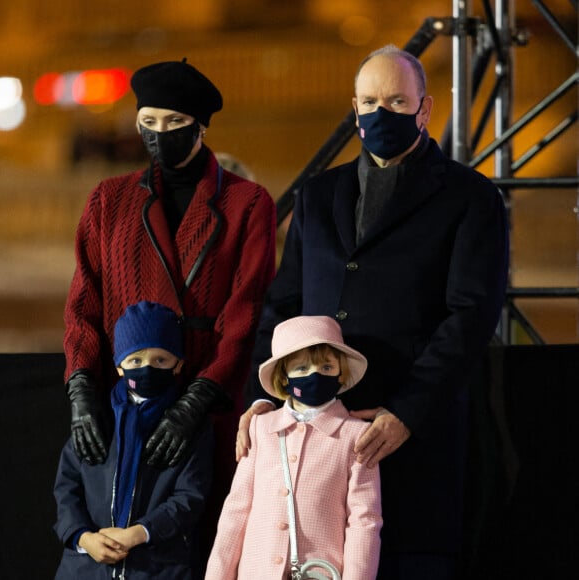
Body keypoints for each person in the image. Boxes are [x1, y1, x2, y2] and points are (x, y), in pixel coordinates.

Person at [239, 44, 509, 580]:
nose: (379, 113)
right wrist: (260, 393)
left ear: (425, 109)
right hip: (315, 440)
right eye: (368, 102)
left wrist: (407, 411)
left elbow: (471, 315)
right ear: (354, 108)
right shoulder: (318, 196)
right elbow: (283, 306)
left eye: (395, 101)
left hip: (410, 438)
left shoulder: (471, 198)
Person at [62, 58, 276, 560]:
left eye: (175, 123)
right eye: (148, 123)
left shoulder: (247, 203)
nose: (159, 135)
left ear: (201, 126)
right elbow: (83, 306)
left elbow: (245, 314)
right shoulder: (106, 201)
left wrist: (195, 405)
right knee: (117, 533)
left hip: (209, 399)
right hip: (125, 401)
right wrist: (80, 393)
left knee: (202, 531)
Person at [206, 315, 381, 579]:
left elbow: (364, 521)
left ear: (340, 371)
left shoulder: (357, 435)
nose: (314, 375)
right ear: (284, 376)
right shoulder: (260, 428)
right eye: (301, 368)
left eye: (326, 367)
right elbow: (236, 510)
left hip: (320, 572)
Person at [54, 301, 213, 580]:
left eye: (160, 360)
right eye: (135, 360)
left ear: (178, 365)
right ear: (119, 366)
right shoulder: (96, 417)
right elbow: (67, 487)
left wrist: (140, 533)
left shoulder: (193, 428)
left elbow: (190, 496)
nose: (147, 369)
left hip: (159, 568)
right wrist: (83, 537)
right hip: (84, 569)